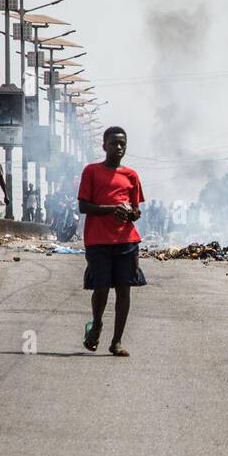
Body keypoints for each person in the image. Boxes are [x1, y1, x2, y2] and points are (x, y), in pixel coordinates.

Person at [78, 126, 144, 357]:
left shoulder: (131, 175)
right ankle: (96, 323)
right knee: (102, 287)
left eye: (122, 143)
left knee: (124, 290)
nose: (118, 147)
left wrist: (129, 213)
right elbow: (83, 206)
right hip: (98, 240)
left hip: (126, 241)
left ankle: (116, 341)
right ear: (104, 146)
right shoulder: (91, 171)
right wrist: (111, 209)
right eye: (114, 143)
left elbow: (136, 211)